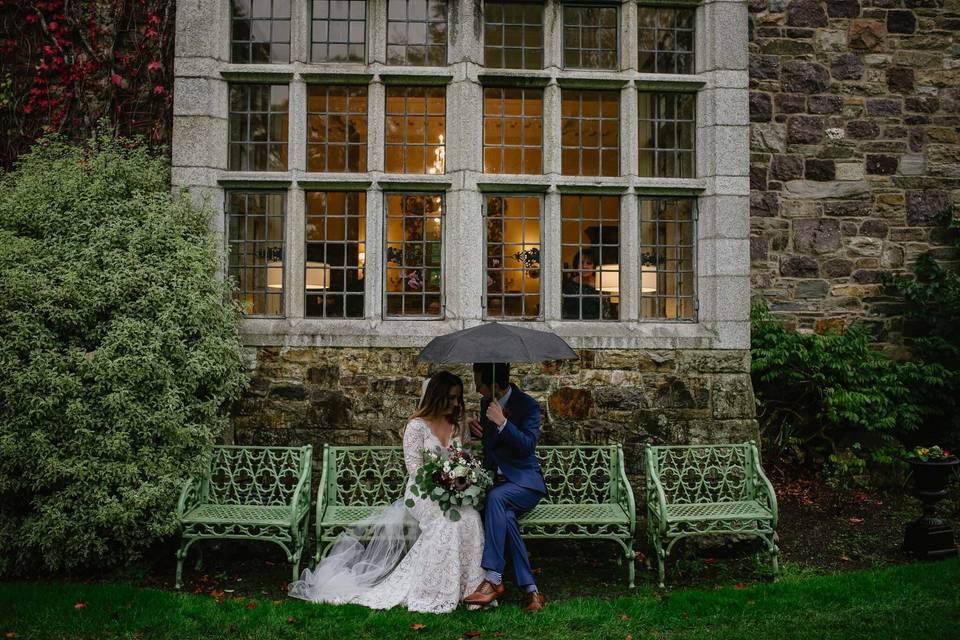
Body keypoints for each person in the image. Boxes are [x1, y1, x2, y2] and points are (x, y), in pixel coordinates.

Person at [288, 371, 484, 614]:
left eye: (458, 398)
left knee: (471, 518)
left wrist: (460, 481)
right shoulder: (416, 426)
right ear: (437, 397)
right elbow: (414, 470)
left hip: (453, 491)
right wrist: (444, 484)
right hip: (422, 491)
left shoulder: (458, 424)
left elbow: (465, 459)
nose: (456, 404)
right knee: (446, 522)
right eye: (452, 398)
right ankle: (432, 591)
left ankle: (469, 590)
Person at [463, 363, 547, 613]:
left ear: (495, 385)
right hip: (499, 486)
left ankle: (493, 579)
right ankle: (532, 592)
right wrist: (475, 429)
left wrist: (502, 423)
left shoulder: (527, 405)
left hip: (525, 484)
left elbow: (527, 446)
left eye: (479, 384)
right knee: (506, 517)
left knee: (496, 499)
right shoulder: (485, 404)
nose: (477, 390)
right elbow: (495, 446)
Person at [561, 250, 602, 320]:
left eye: (589, 263)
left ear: (595, 266)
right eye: (581, 263)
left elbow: (606, 311)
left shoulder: (602, 284)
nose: (584, 266)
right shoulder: (568, 285)